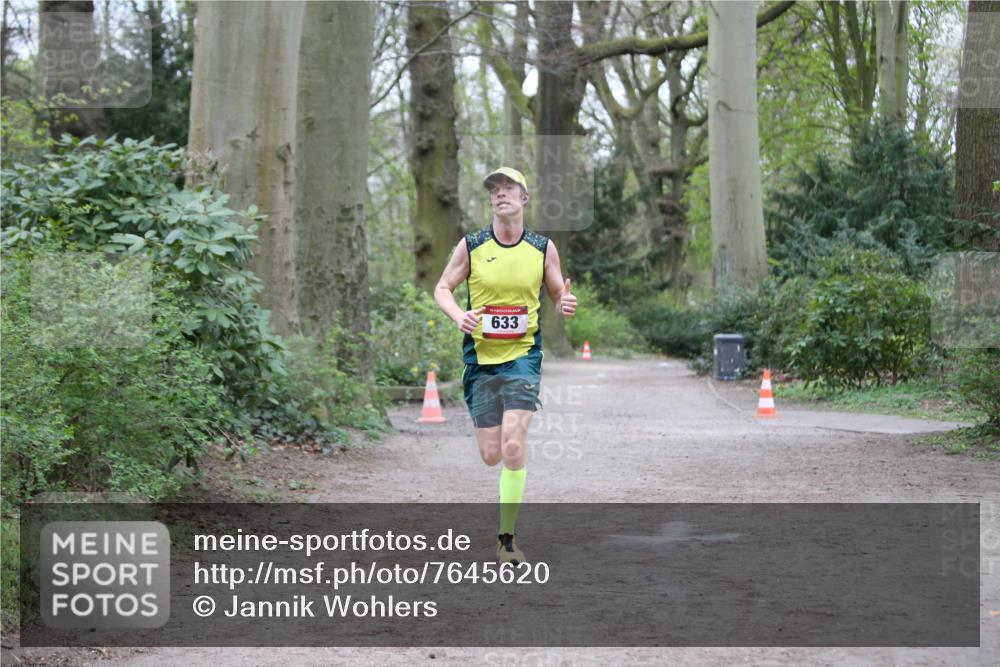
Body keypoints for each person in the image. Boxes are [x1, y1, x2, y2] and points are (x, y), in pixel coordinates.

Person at [434, 167, 577, 564]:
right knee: (491, 455)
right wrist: (456, 314)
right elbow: (442, 288)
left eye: (509, 188)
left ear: (524, 197)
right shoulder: (473, 245)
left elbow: (557, 294)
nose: (501, 194)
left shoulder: (542, 248)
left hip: (522, 358)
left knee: (514, 445)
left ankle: (507, 539)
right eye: (494, 189)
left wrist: (564, 304)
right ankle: (504, 506)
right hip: (480, 361)